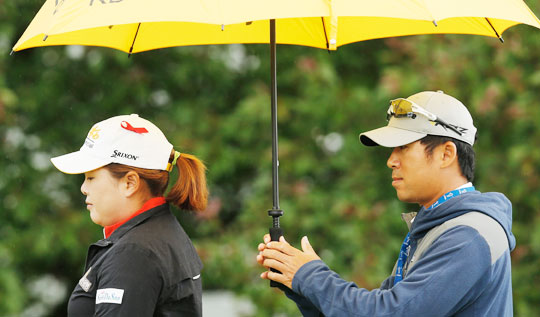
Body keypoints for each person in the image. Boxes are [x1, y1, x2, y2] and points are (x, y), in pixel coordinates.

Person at [257, 91, 515, 316]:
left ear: (446, 154)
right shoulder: (438, 227)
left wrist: (309, 276)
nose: (391, 161)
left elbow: (387, 313)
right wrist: (296, 280)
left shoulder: (469, 236)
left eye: (403, 147)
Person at [51, 114, 208, 316]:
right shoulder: (160, 234)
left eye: (91, 177)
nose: (83, 188)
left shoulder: (134, 254)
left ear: (129, 183)